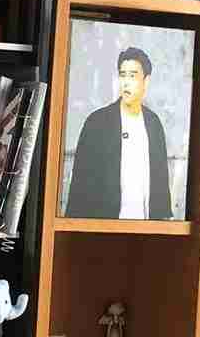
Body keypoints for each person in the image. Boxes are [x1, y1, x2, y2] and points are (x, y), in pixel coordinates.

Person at [65, 46, 171, 220]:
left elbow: (161, 186)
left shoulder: (153, 124)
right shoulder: (97, 122)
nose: (126, 82)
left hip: (146, 229)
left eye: (133, 76)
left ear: (146, 81)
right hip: (104, 227)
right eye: (123, 75)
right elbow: (79, 188)